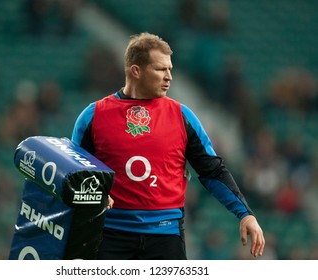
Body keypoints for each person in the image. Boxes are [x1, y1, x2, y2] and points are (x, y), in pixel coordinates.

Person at [71, 32, 265, 260]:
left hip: (165, 238)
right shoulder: (93, 116)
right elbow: (73, 172)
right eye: (160, 69)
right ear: (136, 71)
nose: (169, 77)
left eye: (170, 69)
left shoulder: (182, 117)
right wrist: (94, 193)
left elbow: (212, 171)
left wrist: (245, 214)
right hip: (108, 236)